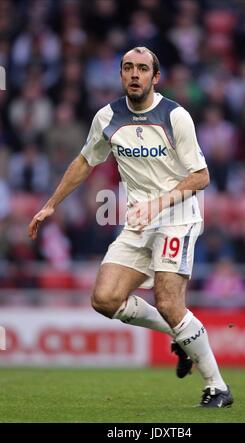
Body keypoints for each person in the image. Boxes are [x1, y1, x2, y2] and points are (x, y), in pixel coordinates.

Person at [28, 47, 233, 408]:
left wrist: (159, 201)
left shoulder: (176, 116)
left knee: (169, 302)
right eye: (127, 68)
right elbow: (84, 161)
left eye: (142, 68)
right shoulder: (107, 116)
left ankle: (217, 386)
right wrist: (50, 204)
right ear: (121, 75)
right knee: (105, 299)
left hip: (177, 217)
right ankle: (181, 336)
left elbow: (201, 176)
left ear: (156, 78)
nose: (134, 74)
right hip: (139, 221)